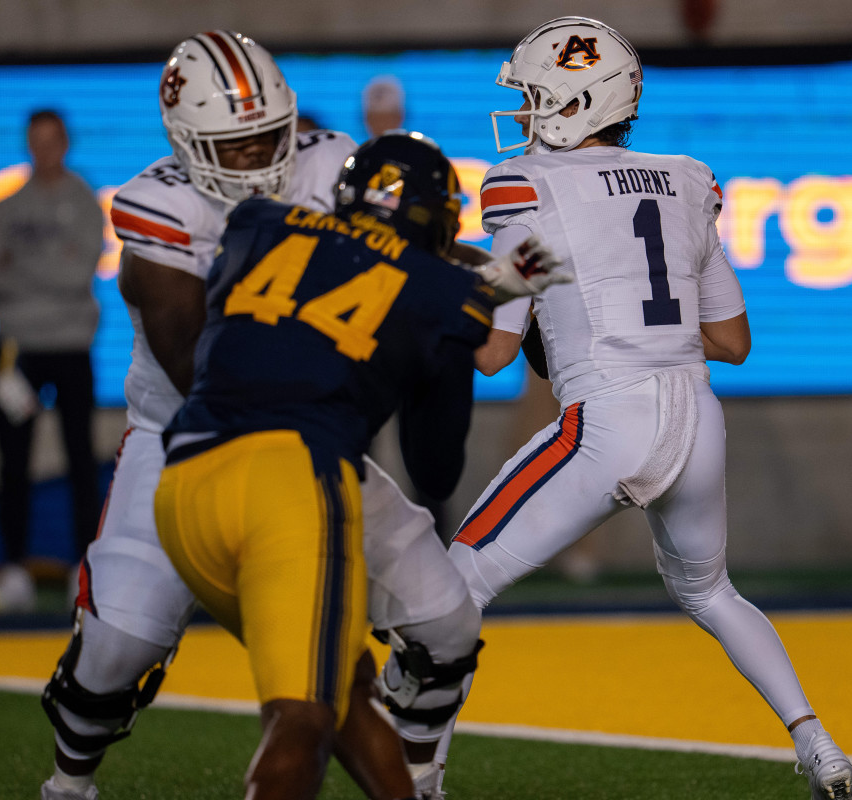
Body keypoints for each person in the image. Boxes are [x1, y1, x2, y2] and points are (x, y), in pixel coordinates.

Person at [39, 33, 543, 800]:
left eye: (270, 135)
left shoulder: (326, 161)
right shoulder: (160, 208)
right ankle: (67, 786)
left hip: (311, 440)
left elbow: (417, 260)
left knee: (445, 625)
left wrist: (472, 284)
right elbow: (197, 366)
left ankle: (421, 775)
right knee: (117, 647)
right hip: (184, 435)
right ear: (187, 141)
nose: (257, 158)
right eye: (234, 146)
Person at [422, 17, 852, 800]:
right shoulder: (687, 179)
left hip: (608, 420)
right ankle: (817, 743)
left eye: (534, 95)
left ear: (574, 103)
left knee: (453, 588)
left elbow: (492, 352)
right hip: (697, 418)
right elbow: (732, 340)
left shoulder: (526, 183)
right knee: (711, 593)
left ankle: (421, 779)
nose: (523, 111)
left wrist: (436, 293)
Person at [153, 131, 560, 800]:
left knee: (342, 688)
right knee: (305, 721)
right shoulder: (437, 286)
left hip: (184, 483)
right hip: (294, 482)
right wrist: (505, 275)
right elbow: (435, 471)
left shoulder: (258, 222)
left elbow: (340, 262)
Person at [0, 109, 104, 611]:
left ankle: (84, 561)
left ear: (66, 142)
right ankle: (12, 566)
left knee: (79, 456)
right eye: (36, 140)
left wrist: (22, 270)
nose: (45, 149)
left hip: (73, 347)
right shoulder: (5, 207)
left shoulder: (85, 201)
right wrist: (52, 268)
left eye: (53, 140)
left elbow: (80, 275)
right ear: (27, 143)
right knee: (13, 461)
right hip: (18, 351)